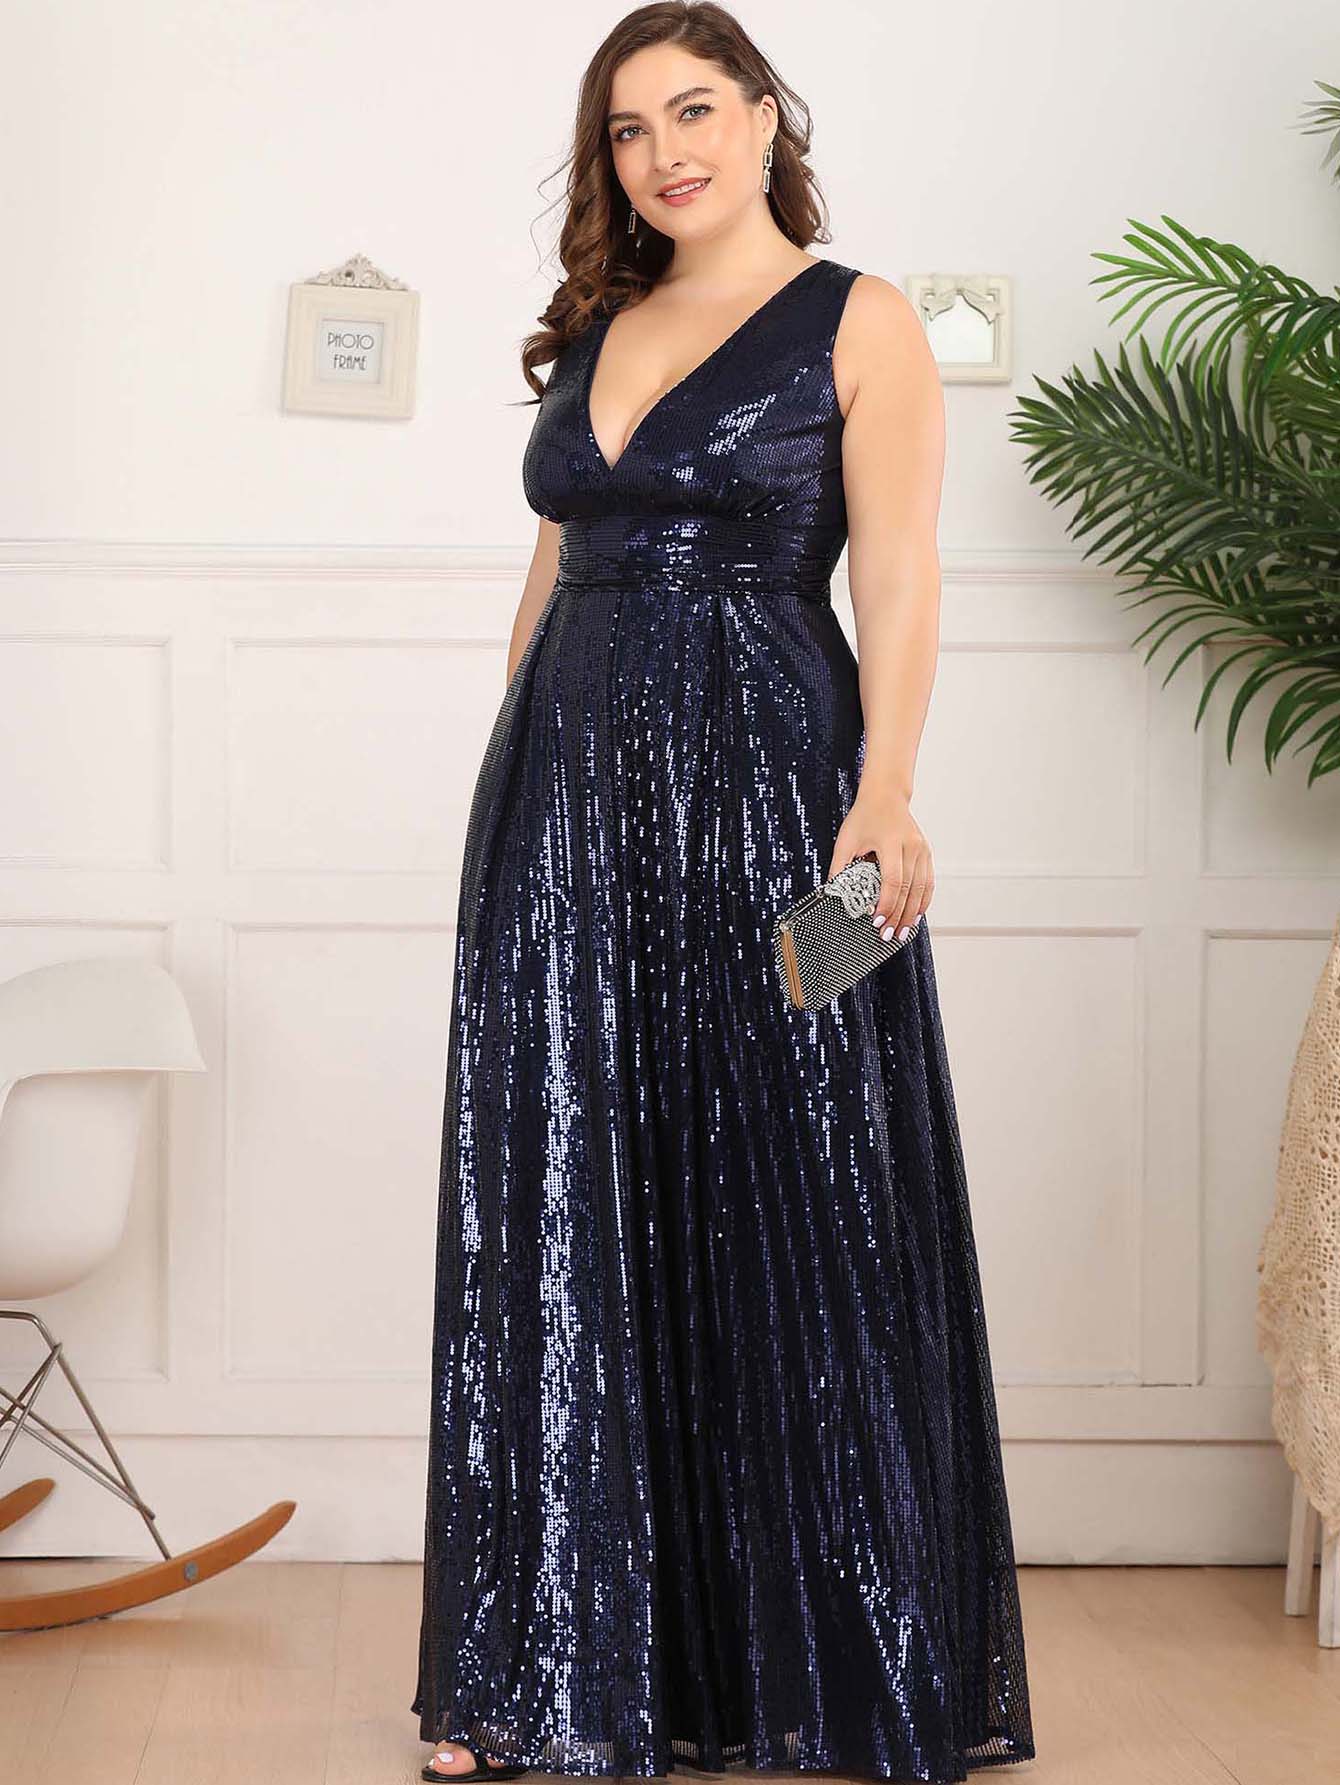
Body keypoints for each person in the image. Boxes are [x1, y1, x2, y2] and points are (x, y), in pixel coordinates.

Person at [411, 4, 1037, 1781]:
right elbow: (549, 578)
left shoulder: (863, 320)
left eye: (694, 110)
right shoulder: (596, 327)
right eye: (628, 129)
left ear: (767, 118)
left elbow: (899, 573)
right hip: (562, 812)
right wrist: (514, 797)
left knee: (813, 1176)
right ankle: (548, 1674)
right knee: (564, 1195)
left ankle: (842, 1666)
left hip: (780, 799)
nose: (663, 152)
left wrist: (886, 791)